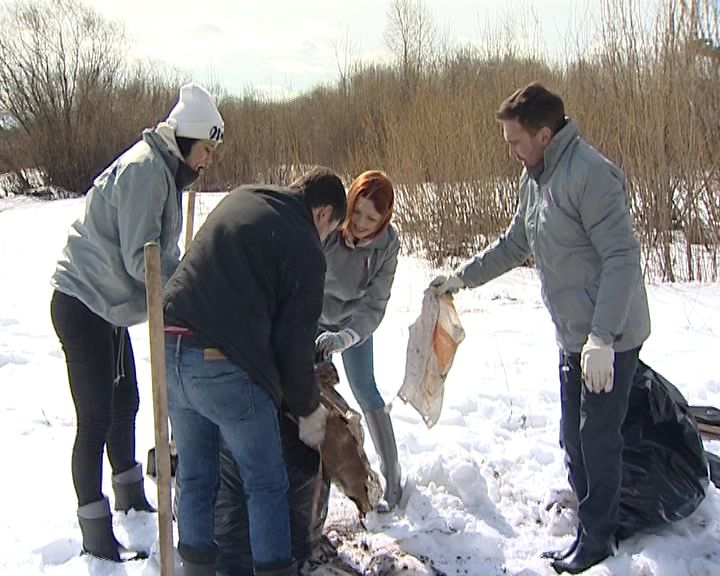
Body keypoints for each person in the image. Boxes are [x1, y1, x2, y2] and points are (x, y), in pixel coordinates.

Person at [430, 82, 650, 575]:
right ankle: (588, 526)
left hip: (609, 334)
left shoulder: (591, 175)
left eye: (515, 141)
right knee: (573, 439)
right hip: (574, 334)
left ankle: (598, 539)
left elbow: (621, 258)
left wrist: (603, 339)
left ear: (545, 134)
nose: (509, 151)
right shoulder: (535, 177)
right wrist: (462, 278)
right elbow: (514, 243)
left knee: (598, 440)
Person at [50, 83, 224, 562]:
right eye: (207, 148)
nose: (209, 159)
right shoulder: (148, 171)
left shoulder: (164, 169)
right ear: (188, 139)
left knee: (125, 399)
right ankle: (95, 529)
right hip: (82, 300)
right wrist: (187, 280)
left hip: (106, 304)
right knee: (95, 417)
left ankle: (128, 494)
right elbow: (140, 260)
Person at [162, 167, 347, 576]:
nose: (326, 240)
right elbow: (294, 344)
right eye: (331, 230)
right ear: (324, 214)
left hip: (169, 347)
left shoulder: (246, 196)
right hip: (221, 361)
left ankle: (194, 571)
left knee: (194, 476)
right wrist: (308, 412)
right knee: (265, 482)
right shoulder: (304, 244)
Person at [314, 170, 403, 511]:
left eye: (372, 217)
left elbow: (376, 301)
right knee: (311, 394)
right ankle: (317, 480)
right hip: (313, 316)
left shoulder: (387, 246)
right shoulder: (329, 228)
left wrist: (348, 336)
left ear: (384, 219)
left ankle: (392, 478)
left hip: (353, 324)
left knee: (366, 389)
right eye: (358, 211)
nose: (362, 223)